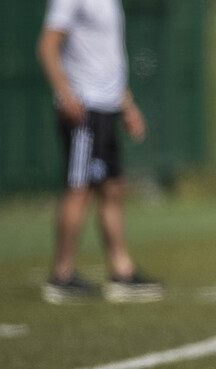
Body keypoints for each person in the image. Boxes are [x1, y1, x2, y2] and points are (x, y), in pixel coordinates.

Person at [36, 0, 163, 304]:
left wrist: (127, 104)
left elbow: (107, 58)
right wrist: (64, 93)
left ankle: (122, 270)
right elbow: (47, 45)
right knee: (79, 189)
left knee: (114, 188)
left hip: (107, 106)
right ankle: (62, 275)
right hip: (84, 106)